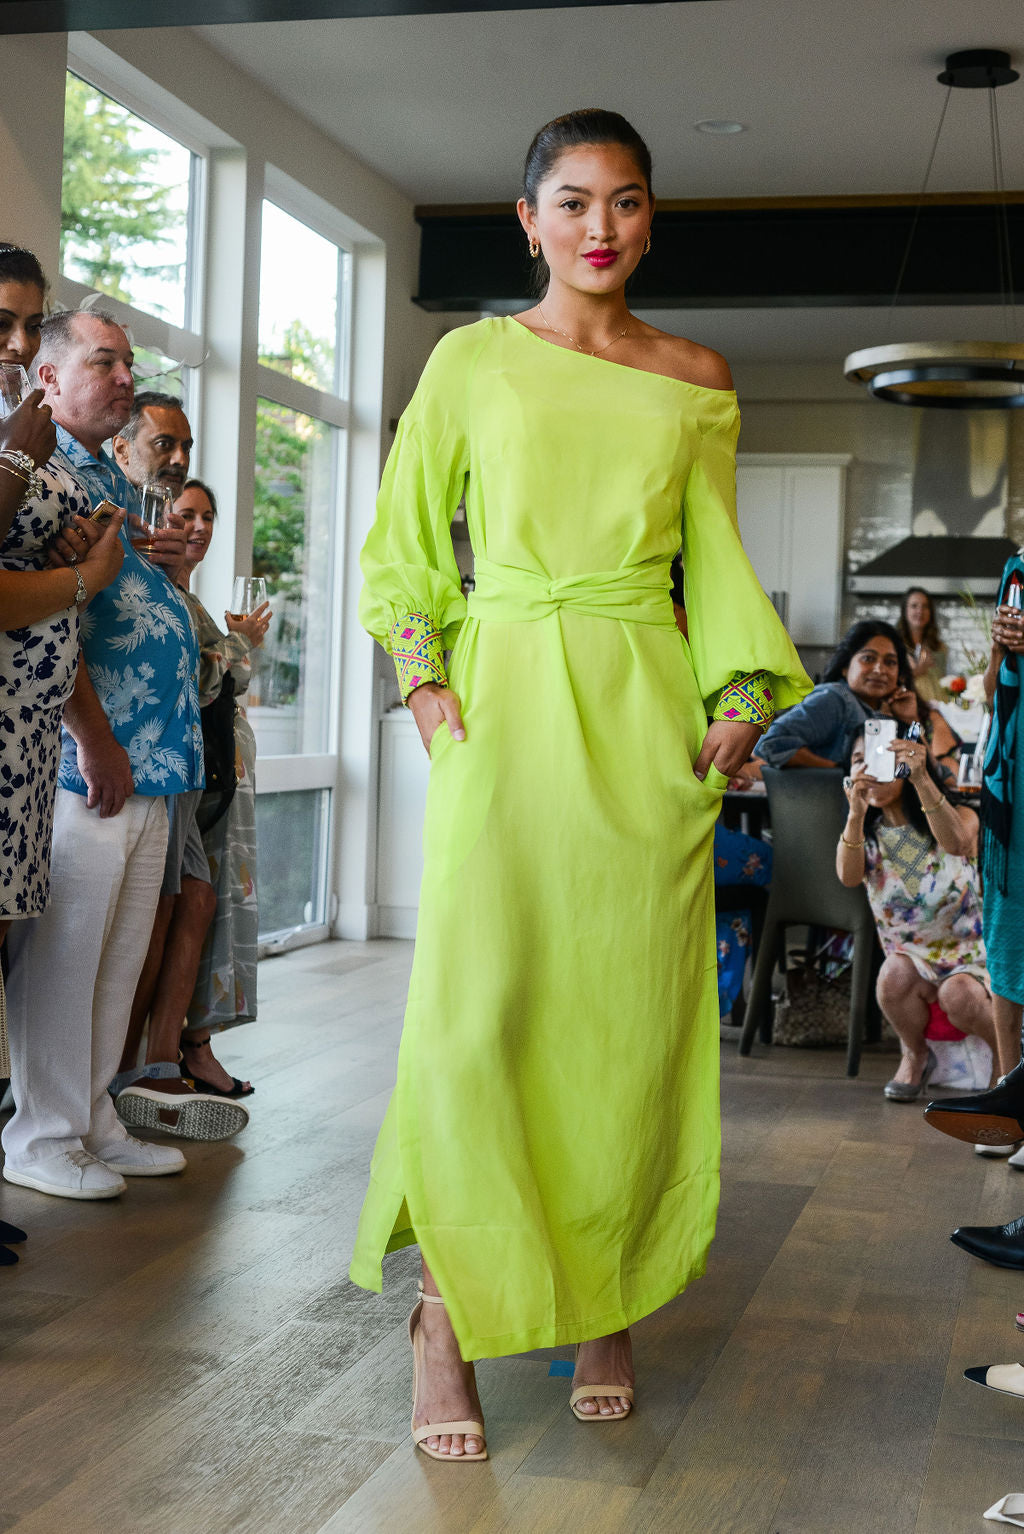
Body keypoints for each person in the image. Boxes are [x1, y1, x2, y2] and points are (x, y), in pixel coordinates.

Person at [348, 108, 810, 1461]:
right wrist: (429, 692)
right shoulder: (472, 360)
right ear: (528, 219)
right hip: (502, 707)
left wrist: (735, 700)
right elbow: (401, 541)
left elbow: (714, 561)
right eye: (572, 200)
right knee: (476, 1016)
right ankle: (446, 1312)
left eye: (626, 200)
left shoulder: (695, 376)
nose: (599, 225)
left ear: (650, 218)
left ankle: (606, 1292)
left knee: (622, 1021)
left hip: (639, 710)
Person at [2, 308, 204, 1200]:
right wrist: (93, 735)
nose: (125, 378)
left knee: (118, 956)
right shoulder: (40, 473)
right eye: (105, 361)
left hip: (150, 755)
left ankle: (91, 1117)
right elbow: (54, 618)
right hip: (89, 755)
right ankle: (43, 1132)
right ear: (47, 377)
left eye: (130, 363)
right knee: (68, 954)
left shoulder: (111, 476)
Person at [0, 245, 125, 1256]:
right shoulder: (14, 437)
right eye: (3, 320)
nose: (14, 342)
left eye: (26, 324)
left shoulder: (25, 436)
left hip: (26, 730)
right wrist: (82, 578)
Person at [109, 397, 249, 1132]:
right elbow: (210, 677)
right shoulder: (113, 527)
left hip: (179, 768)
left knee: (181, 906)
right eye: (166, 443)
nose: (179, 458)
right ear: (125, 447)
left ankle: (153, 1069)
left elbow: (204, 678)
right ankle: (116, 1081)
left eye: (187, 446)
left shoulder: (162, 563)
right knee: (136, 923)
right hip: (124, 764)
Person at [837, 726, 997, 1102]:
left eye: (881, 757)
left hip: (974, 959)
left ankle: (1010, 1062)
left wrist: (923, 777)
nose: (869, 768)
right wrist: (855, 815)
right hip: (914, 960)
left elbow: (959, 843)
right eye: (860, 760)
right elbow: (847, 876)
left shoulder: (959, 814)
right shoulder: (866, 835)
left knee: (959, 994)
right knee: (891, 975)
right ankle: (914, 1054)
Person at [177, 478, 267, 1078]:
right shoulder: (162, 597)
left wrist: (236, 646)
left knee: (217, 905)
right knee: (200, 904)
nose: (200, 527)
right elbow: (202, 678)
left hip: (219, 775)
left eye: (208, 515)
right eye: (186, 515)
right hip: (191, 779)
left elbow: (225, 678)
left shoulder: (193, 601)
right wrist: (240, 644)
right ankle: (186, 1049)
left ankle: (193, 1045)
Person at [753, 619, 911, 772]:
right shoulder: (836, 698)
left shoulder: (881, 713)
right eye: (868, 658)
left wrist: (910, 719)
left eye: (890, 662)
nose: (879, 670)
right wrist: (838, 771)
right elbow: (767, 744)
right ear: (845, 667)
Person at [897, 586, 948, 703]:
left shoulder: (940, 647)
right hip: (910, 708)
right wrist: (916, 671)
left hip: (940, 708)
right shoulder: (895, 645)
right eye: (914, 606)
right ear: (905, 610)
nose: (920, 611)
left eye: (925, 606)